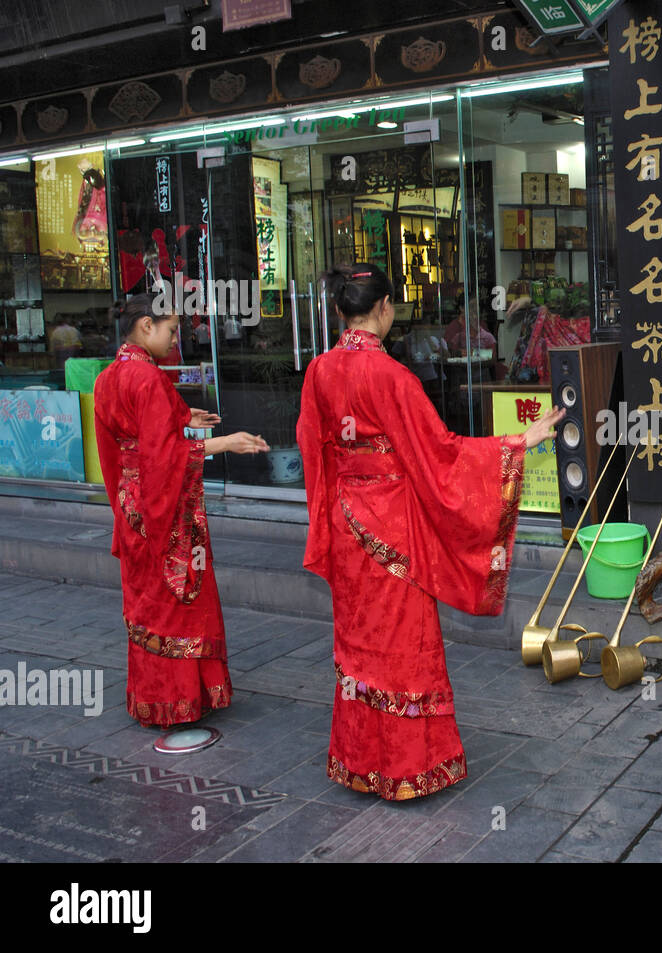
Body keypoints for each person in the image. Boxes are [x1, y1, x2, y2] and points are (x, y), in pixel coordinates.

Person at [296, 264, 561, 801]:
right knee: (404, 644)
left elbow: (311, 450)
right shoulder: (393, 377)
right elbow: (440, 454)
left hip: (348, 525)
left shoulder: (319, 371)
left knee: (361, 642)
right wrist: (516, 444)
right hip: (393, 531)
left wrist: (329, 514)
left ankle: (361, 762)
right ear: (384, 308)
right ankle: (408, 767)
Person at [95, 295, 269, 727]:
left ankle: (151, 697)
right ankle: (181, 698)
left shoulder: (109, 377)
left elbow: (127, 441)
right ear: (145, 326)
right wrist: (226, 443)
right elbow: (164, 456)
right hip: (161, 505)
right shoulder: (148, 378)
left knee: (145, 597)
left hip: (132, 501)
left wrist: (181, 414)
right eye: (171, 330)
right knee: (177, 598)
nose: (175, 340)